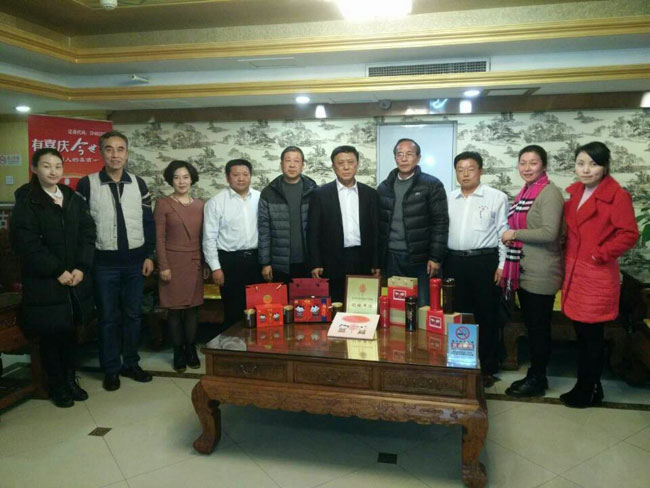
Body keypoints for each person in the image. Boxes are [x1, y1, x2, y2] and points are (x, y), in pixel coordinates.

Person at [10, 148, 96, 407]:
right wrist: (57, 271)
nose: (53, 171)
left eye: (58, 166)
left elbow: (87, 233)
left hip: (74, 279)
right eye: (46, 166)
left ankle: (70, 380)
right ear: (35, 169)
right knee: (51, 336)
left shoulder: (71, 197)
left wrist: (81, 267)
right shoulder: (27, 201)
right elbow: (27, 244)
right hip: (46, 282)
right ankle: (57, 385)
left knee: (71, 333)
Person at [560, 142, 638, 408]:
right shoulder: (576, 192)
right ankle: (591, 386)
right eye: (580, 163)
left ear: (605, 166)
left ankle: (587, 390)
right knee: (582, 334)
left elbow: (629, 234)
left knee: (591, 335)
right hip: (575, 271)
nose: (586, 170)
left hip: (597, 272)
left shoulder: (618, 196)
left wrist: (599, 254)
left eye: (593, 164)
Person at [77, 130, 154, 392]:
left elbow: (148, 222)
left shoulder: (139, 184)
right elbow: (82, 227)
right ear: (101, 153)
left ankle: (131, 363)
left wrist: (149, 255)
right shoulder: (87, 184)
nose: (115, 155)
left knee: (133, 315)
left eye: (120, 149)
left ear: (127, 153)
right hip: (103, 264)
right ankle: (110, 369)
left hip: (135, 262)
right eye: (109, 149)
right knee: (108, 318)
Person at [501, 145, 564, 398]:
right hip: (525, 269)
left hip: (542, 271)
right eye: (523, 163)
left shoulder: (549, 193)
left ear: (544, 166)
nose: (527, 168)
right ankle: (536, 374)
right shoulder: (526, 192)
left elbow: (550, 233)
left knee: (538, 328)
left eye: (533, 163)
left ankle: (538, 378)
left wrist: (514, 234)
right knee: (532, 325)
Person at [445, 151, 509, 387]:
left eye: (470, 169)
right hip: (454, 262)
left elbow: (504, 233)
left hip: (484, 262)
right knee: (458, 315)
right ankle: (460, 363)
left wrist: (502, 265)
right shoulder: (449, 198)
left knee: (486, 316)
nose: (465, 174)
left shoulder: (496, 197)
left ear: (480, 171)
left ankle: (487, 368)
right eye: (460, 169)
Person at [377, 138, 448, 305]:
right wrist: (378, 260)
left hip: (421, 258)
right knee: (397, 306)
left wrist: (435, 257)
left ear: (418, 158)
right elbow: (378, 226)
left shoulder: (432, 185)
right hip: (392, 257)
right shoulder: (384, 187)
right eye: (399, 154)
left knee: (423, 305)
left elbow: (440, 222)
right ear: (395, 158)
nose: (404, 159)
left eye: (409, 154)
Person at [308, 145, 380, 303]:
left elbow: (376, 230)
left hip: (363, 258)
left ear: (357, 165)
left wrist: (376, 262)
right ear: (333, 167)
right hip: (332, 259)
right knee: (336, 304)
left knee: (362, 302)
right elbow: (313, 232)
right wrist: (316, 262)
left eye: (350, 162)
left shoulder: (370, 194)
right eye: (340, 163)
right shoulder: (320, 195)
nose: (346, 167)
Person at [154, 160, 205, 372]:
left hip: (194, 261)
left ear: (192, 179)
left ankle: (191, 349)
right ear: (171, 180)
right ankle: (178, 351)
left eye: (185, 177)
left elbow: (205, 237)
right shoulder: (163, 204)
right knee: (174, 311)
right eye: (176, 177)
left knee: (192, 309)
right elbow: (159, 238)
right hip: (172, 263)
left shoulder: (201, 205)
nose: (181, 181)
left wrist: (205, 263)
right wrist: (163, 265)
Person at [203, 159, 261, 327]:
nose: (241, 178)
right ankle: (233, 343)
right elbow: (209, 238)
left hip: (256, 260)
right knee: (233, 310)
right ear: (228, 177)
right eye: (236, 175)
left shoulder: (260, 198)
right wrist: (216, 268)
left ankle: (257, 344)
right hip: (230, 262)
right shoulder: (216, 202)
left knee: (259, 309)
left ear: (250, 176)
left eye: (245, 174)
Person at [258, 146, 318, 283]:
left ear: (303, 165)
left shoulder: (314, 191)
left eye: (296, 161)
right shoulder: (269, 193)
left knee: (308, 297)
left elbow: (321, 229)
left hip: (308, 263)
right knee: (281, 297)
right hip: (279, 264)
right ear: (281, 164)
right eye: (288, 161)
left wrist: (318, 261)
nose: (292, 165)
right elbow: (264, 230)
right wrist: (265, 263)